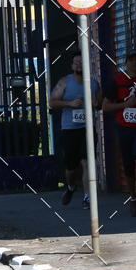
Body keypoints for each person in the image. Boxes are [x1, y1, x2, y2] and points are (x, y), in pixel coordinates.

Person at [103, 51, 136, 216]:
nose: (134, 63)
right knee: (129, 167)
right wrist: (125, 105)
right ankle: (133, 196)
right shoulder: (116, 81)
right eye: (131, 60)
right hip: (124, 127)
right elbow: (105, 106)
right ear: (126, 63)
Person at [49, 52, 101, 208]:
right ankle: (71, 187)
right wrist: (69, 103)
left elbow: (99, 104)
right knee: (71, 168)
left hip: (87, 129)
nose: (78, 65)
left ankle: (87, 198)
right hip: (69, 129)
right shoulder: (65, 82)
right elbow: (52, 102)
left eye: (81, 62)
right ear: (72, 66)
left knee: (87, 162)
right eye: (75, 62)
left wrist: (95, 103)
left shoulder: (93, 83)